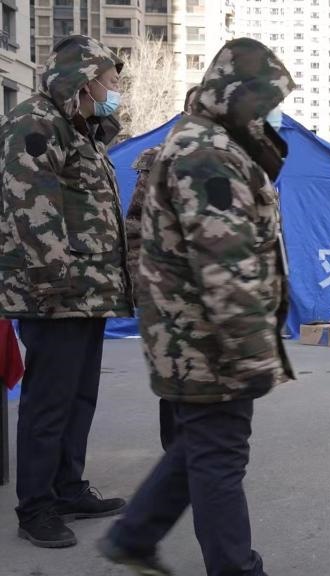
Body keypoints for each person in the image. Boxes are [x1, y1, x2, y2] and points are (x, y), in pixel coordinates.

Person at [99, 38, 296, 576]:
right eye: (266, 101)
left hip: (194, 333)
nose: (272, 113)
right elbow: (224, 261)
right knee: (218, 456)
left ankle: (133, 536)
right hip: (206, 339)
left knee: (201, 445)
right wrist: (254, 353)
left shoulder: (209, 144)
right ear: (238, 96)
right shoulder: (208, 153)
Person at [0, 35, 130, 549]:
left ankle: (68, 488)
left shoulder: (80, 128)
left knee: (78, 396)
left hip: (88, 289)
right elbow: (31, 206)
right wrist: (53, 281)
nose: (115, 91)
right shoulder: (35, 121)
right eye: (111, 81)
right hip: (55, 289)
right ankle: (35, 507)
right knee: (48, 402)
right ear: (84, 79)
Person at [124, 87, 198, 451]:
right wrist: (143, 286)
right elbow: (136, 227)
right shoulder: (158, 159)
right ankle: (177, 458)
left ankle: (203, 455)